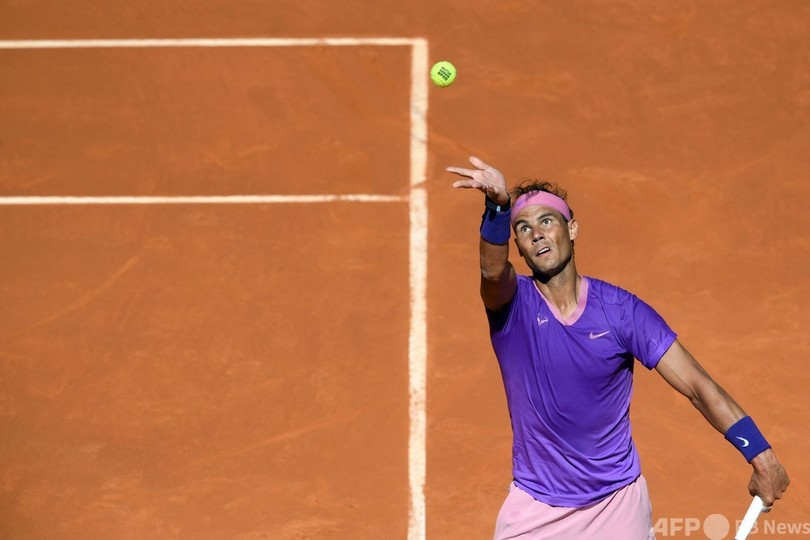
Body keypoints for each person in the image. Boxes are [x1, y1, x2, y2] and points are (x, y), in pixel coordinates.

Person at [447, 156, 790, 539]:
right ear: (520, 248)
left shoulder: (621, 312)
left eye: (547, 221)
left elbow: (697, 385)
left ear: (571, 228)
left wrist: (760, 453)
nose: (537, 234)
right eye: (524, 228)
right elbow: (492, 271)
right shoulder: (513, 308)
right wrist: (497, 208)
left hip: (617, 505)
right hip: (536, 509)